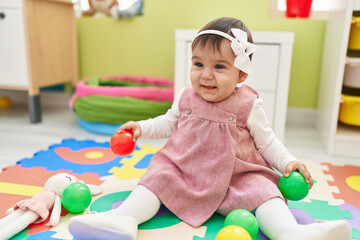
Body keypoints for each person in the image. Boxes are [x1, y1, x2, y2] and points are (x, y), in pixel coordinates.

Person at [68, 17, 351, 240]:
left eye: (219, 67)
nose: (206, 74)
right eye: (198, 63)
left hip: (235, 177)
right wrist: (141, 128)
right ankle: (124, 219)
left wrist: (289, 162)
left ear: (241, 73)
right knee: (156, 178)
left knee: (265, 191)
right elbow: (168, 122)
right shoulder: (185, 96)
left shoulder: (248, 103)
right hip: (184, 169)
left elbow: (267, 143)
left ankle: (289, 233)